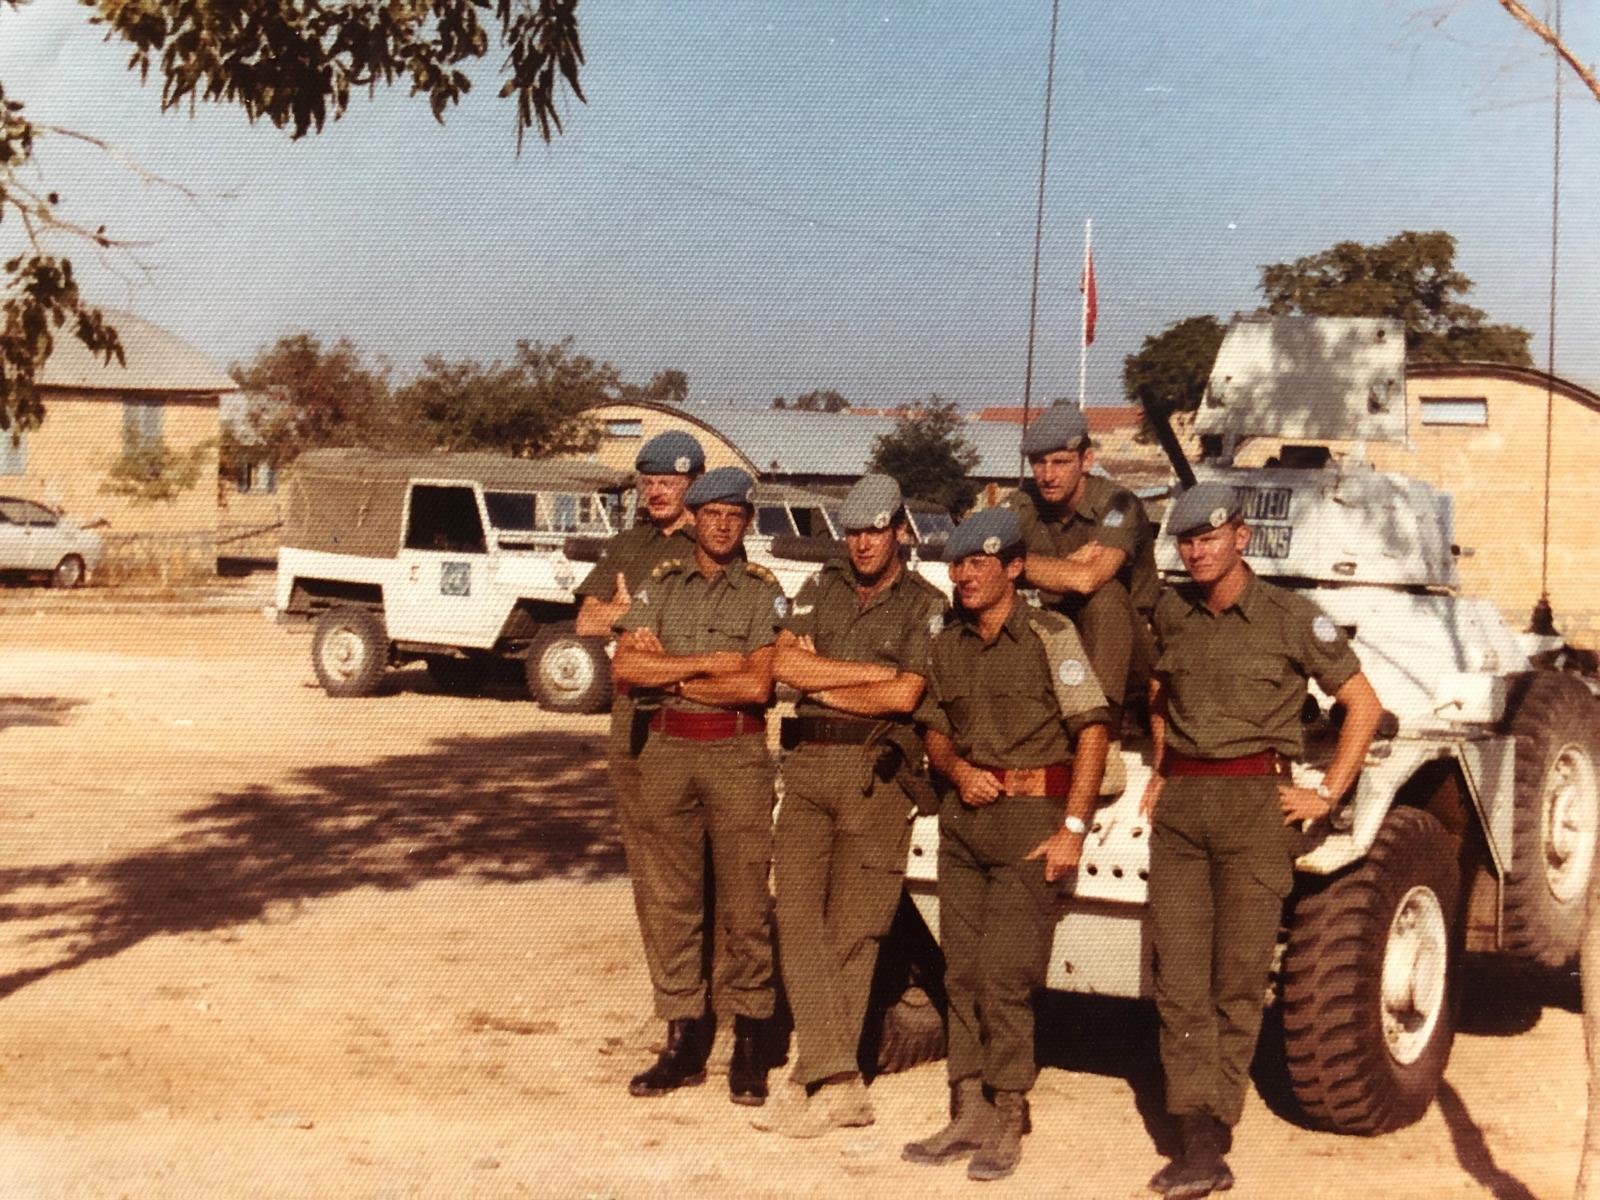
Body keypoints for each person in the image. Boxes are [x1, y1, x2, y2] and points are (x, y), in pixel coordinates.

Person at [1139, 482, 1382, 1199]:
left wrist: (1326, 793)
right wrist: (1162, 764)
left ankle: (1215, 1130)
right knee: (1178, 976)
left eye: (1209, 538)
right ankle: (1194, 1135)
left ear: (1241, 539)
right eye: (1186, 542)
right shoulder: (1173, 614)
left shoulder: (1291, 616)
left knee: (1237, 976)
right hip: (1183, 807)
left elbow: (1363, 706)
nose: (1197, 551)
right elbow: (1159, 691)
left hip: (1256, 807)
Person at [902, 506, 1110, 1183]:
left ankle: (1007, 1111)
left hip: (1031, 821)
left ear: (1014, 569)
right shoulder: (946, 641)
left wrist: (1072, 831)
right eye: (957, 564)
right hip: (966, 822)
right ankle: (966, 1108)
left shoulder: (1052, 635)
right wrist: (957, 770)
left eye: (979, 563)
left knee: (1004, 975)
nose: (964, 576)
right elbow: (934, 726)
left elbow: (1092, 735)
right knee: (959, 971)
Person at [753, 474, 947, 1139]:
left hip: (875, 774)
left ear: (901, 531)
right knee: (797, 917)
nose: (862, 542)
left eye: (875, 530)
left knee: (855, 930)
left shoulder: (926, 604)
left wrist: (825, 676)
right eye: (853, 531)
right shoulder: (819, 588)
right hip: (807, 768)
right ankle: (837, 1077)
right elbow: (781, 665)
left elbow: (906, 698)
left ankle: (818, 1077)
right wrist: (867, 677)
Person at [611, 465, 785, 1107]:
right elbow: (628, 666)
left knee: (744, 906)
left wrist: (671, 674)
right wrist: (709, 663)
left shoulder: (762, 591)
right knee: (672, 902)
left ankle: (749, 1044)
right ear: (697, 519)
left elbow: (757, 686)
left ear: (746, 523)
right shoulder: (661, 584)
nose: (722, 525)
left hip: (736, 753)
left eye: (735, 517)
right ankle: (682, 1040)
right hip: (667, 751)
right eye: (712, 515)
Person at [574, 431, 733, 1051]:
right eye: (649, 480)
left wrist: (636, 618)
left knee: (710, 871)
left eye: (670, 480)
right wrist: (639, 621)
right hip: (633, 718)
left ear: (694, 484)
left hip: (699, 716)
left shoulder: (716, 541)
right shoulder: (629, 543)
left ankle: (718, 1008)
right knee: (651, 871)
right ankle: (673, 1002)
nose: (658, 490)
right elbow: (587, 620)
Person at [1006, 400, 1157, 755]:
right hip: (1059, 644)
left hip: (1128, 661)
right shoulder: (1025, 503)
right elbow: (982, 563)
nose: (1047, 474)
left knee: (1105, 597)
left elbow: (1090, 579)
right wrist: (1065, 566)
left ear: (1086, 461)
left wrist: (1018, 567)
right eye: (1039, 463)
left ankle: (1102, 739)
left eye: (1060, 462)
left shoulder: (1118, 504)